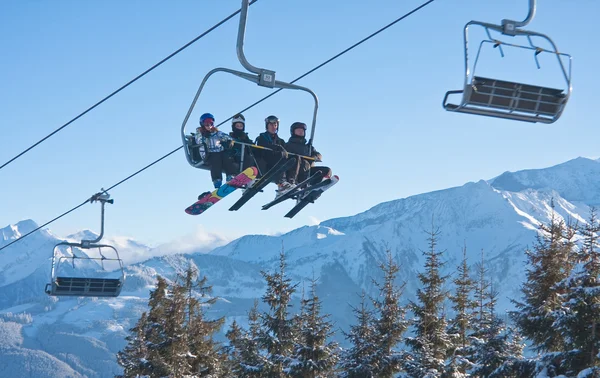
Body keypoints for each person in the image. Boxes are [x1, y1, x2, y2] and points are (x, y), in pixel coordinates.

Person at [281, 121, 332, 198]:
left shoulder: (308, 147)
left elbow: (319, 155)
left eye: (302, 130)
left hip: (308, 171)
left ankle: (315, 188)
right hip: (294, 172)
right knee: (300, 160)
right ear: (293, 132)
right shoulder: (288, 145)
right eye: (298, 130)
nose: (301, 132)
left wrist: (314, 157)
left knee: (327, 170)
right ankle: (295, 185)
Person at [195, 113, 237, 189]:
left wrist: (228, 141)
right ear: (202, 124)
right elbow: (198, 141)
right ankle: (217, 179)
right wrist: (204, 136)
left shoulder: (216, 132)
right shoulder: (200, 133)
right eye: (206, 123)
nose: (209, 125)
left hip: (219, 151)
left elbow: (227, 137)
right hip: (208, 153)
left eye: (210, 123)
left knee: (227, 157)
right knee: (215, 160)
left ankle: (230, 175)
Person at [254, 115, 291, 193]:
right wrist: (276, 147)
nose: (273, 127)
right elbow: (262, 146)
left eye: (275, 125)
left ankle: (285, 183)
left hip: (275, 165)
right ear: (267, 126)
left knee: (288, 158)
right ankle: (281, 182)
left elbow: (286, 150)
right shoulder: (261, 137)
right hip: (264, 162)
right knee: (280, 156)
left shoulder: (281, 141)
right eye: (271, 125)